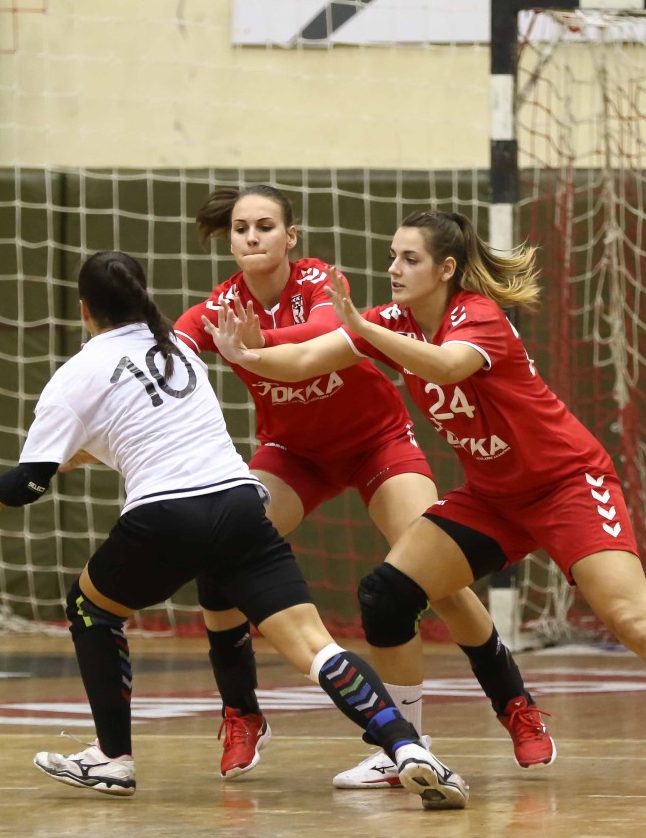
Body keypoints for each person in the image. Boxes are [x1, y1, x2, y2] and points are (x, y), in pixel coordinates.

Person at [204, 211, 646, 800]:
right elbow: (305, 360)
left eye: (410, 259)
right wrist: (247, 355)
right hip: (492, 496)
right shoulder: (392, 322)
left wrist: (361, 328)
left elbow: (446, 365)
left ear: (445, 269)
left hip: (566, 484)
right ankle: (403, 748)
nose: (394, 269)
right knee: (387, 594)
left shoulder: (475, 315)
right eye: (392, 257)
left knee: (630, 615)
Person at [0, 250, 467, 809]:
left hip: (165, 516)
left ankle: (112, 758)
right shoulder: (179, 348)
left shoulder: (76, 374)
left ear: (84, 310)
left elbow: (29, 483)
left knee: (90, 608)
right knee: (317, 648)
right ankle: (407, 747)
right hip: (240, 503)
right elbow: (137, 431)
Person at [169, 185, 553, 784]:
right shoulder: (220, 307)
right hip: (294, 456)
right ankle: (244, 712)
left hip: (376, 443)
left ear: (290, 237)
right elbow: (167, 354)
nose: (251, 237)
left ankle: (515, 705)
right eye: (241, 228)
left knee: (433, 576)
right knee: (220, 556)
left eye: (265, 226)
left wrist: (253, 345)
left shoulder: (319, 281)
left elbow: (322, 334)